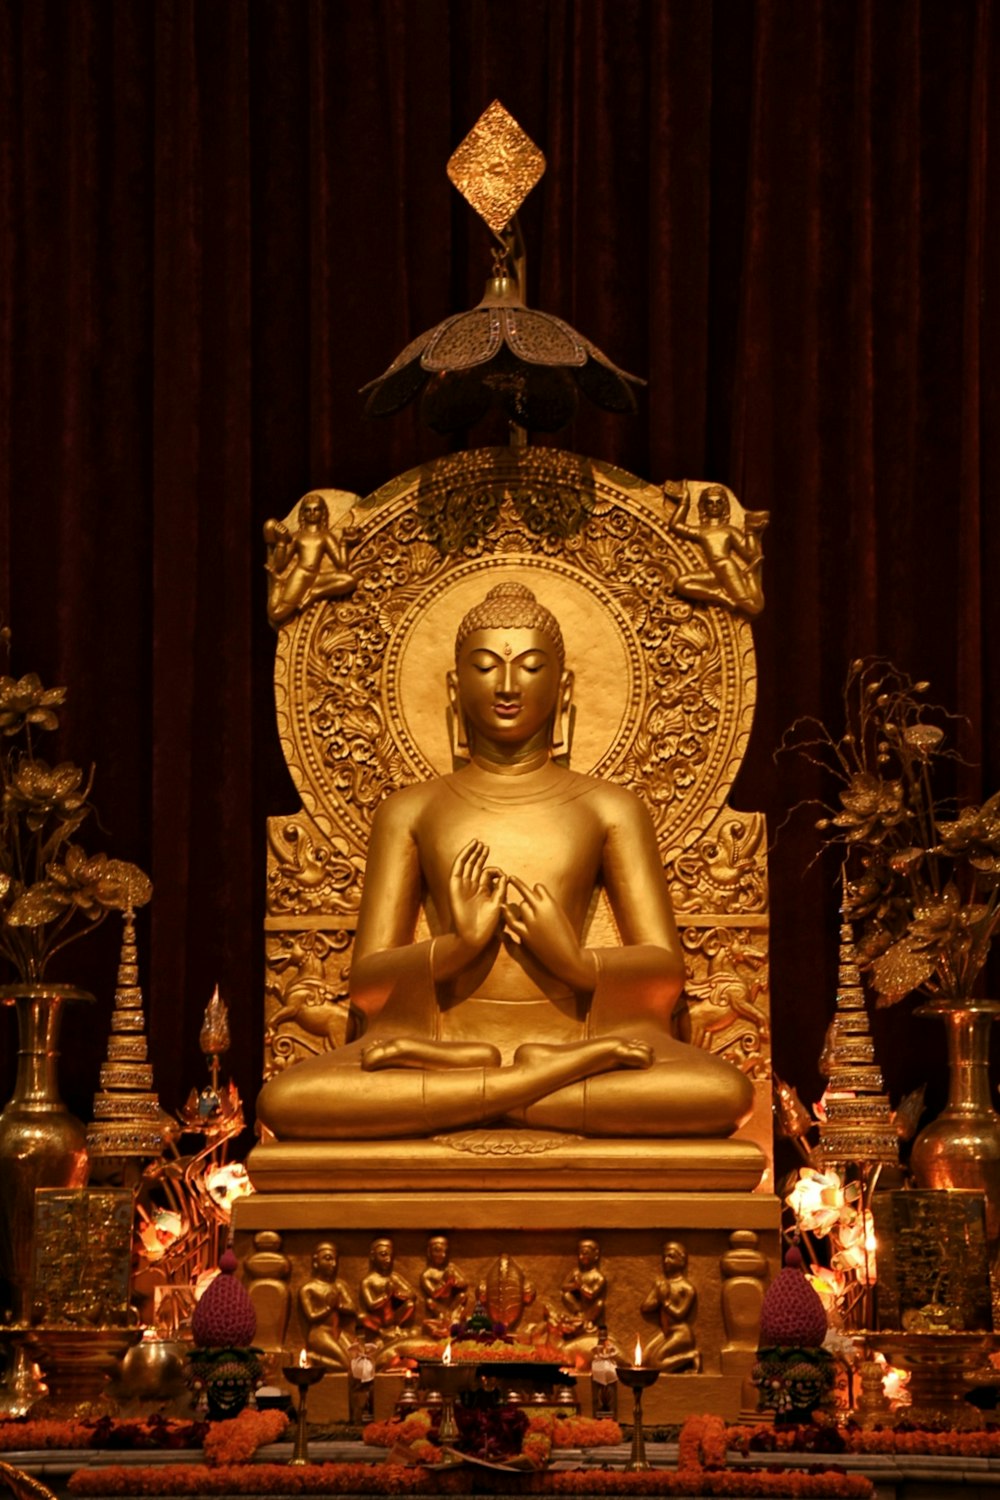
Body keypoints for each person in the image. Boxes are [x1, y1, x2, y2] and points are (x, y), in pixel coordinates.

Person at [256, 581, 753, 1139]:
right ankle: (529, 1084)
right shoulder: (410, 810)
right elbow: (368, 982)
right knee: (288, 1099)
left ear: (563, 688)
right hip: (436, 1049)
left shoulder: (610, 808)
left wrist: (577, 963)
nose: (509, 685)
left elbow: (665, 974)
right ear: (455, 684)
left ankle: (490, 1090)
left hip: (582, 1042)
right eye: (487, 666)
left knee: (723, 1093)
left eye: (532, 667)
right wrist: (456, 948)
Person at [669, 482, 766, 616]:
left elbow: (750, 553)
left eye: (718, 502)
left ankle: (750, 576)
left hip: (726, 567)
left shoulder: (729, 530)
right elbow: (676, 525)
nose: (714, 506)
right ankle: (719, 595)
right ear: (704, 506)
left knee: (753, 607)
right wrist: (685, 500)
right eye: (710, 503)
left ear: (724, 506)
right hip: (713, 572)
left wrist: (750, 531)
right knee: (681, 583)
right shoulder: (702, 531)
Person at [264, 493, 358, 625]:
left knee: (350, 580)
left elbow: (342, 565)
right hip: (301, 576)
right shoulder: (297, 536)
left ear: (322, 513)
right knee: (277, 613)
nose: (312, 513)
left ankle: (315, 593)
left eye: (316, 509)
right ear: (302, 514)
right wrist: (281, 542)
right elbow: (280, 565)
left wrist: (344, 542)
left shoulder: (326, 536)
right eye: (308, 510)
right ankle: (279, 584)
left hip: (317, 578)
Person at [640, 1241, 700, 1371]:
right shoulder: (662, 1284)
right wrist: (656, 1292)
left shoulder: (687, 1288)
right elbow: (645, 1307)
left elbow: (680, 1314)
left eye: (671, 1257)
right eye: (664, 1257)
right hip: (666, 1332)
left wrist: (665, 1300)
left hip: (681, 1333)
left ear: (682, 1260)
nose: (666, 1261)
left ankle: (691, 1356)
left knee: (656, 1365)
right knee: (644, 1361)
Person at [298, 1241, 357, 1370]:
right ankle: (313, 1357)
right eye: (328, 1259)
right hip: (320, 1333)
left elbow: (352, 1308)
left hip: (337, 1332)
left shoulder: (338, 1285)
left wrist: (339, 1305)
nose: (333, 1264)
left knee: (359, 1360)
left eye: (335, 1260)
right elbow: (311, 1315)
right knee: (346, 1365)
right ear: (316, 1262)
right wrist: (329, 1307)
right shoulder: (308, 1288)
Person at [419, 1234, 471, 1337]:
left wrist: (455, 1282)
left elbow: (464, 1283)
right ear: (429, 1252)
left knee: (462, 1296)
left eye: (445, 1251)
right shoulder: (427, 1274)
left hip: (452, 1305)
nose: (442, 1255)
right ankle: (445, 1321)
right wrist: (445, 1282)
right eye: (437, 1251)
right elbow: (434, 1294)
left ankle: (451, 1320)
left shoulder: (450, 1268)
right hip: (438, 1306)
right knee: (430, 1302)